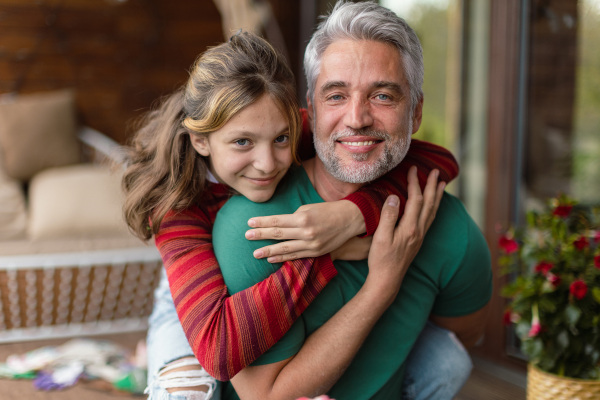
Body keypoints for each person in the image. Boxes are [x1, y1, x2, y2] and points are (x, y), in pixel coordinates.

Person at [121, 29, 460, 400]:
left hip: (260, 281)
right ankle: (152, 363)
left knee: (447, 360)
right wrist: (322, 250)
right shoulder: (176, 208)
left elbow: (438, 160)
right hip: (191, 292)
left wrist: (353, 216)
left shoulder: (273, 122)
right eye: (242, 143)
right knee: (185, 393)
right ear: (201, 140)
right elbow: (218, 349)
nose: (267, 164)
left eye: (282, 140)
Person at [210, 2, 493, 399]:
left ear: (415, 114)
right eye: (337, 95)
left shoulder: (449, 227)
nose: (357, 118)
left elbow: (466, 332)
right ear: (311, 106)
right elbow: (269, 398)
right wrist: (382, 285)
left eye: (382, 96)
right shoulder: (256, 222)